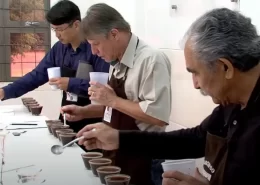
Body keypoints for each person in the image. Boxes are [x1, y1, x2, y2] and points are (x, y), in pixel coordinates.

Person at [75, 8, 260, 185]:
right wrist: (118, 138)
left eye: (195, 73)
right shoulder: (231, 105)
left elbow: (158, 117)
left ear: (225, 67)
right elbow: (195, 138)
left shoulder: (150, 58)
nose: (195, 84)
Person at [61, 3, 171, 185]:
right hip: (117, 149)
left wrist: (113, 100)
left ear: (114, 34)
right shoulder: (116, 60)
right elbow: (117, 109)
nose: (95, 53)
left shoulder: (151, 59)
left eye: (96, 44)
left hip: (144, 155)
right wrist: (84, 112)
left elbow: (157, 116)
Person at [0, 1, 110, 136]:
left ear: (76, 25)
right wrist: (4, 92)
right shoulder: (59, 48)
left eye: (60, 29)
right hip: (68, 114)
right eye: (54, 29)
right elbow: (37, 75)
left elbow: (102, 87)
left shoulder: (95, 48)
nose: (57, 34)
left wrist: (70, 83)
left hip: (94, 118)